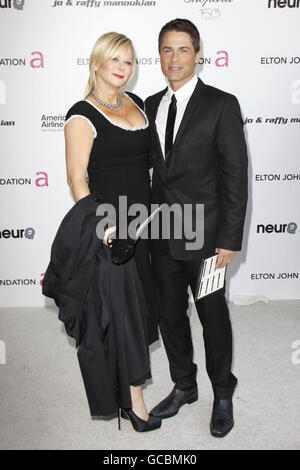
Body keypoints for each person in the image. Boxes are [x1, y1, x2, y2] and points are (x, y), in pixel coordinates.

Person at [43, 32, 161, 432]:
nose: (122, 68)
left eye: (128, 62)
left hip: (145, 224)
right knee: (122, 314)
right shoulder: (82, 114)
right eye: (114, 59)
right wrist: (105, 228)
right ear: (96, 63)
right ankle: (135, 400)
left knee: (141, 307)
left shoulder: (138, 105)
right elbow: (77, 179)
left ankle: (128, 390)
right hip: (112, 229)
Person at [145, 19, 248, 437]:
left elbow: (235, 178)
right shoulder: (150, 104)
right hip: (162, 235)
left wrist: (228, 240)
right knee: (169, 315)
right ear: (160, 56)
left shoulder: (222, 104)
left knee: (213, 317)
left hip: (206, 240)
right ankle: (184, 385)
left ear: (198, 53)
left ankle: (222, 392)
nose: (174, 58)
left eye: (183, 49)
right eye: (167, 50)